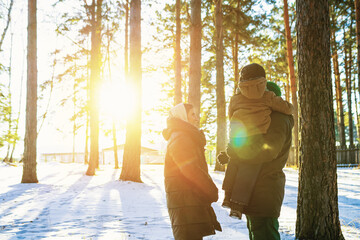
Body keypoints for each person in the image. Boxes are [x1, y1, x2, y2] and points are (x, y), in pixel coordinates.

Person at [219, 63, 293, 221]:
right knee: (237, 165)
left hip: (265, 191)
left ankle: (231, 199)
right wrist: (233, 152)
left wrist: (236, 149)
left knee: (265, 233)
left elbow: (267, 151)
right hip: (255, 194)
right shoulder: (269, 104)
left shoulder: (279, 119)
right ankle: (229, 198)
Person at [162, 103, 222, 240]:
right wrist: (210, 190)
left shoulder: (182, 136)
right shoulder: (181, 138)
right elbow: (190, 169)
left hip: (188, 201)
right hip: (185, 203)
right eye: (193, 115)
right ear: (183, 117)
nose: (197, 118)